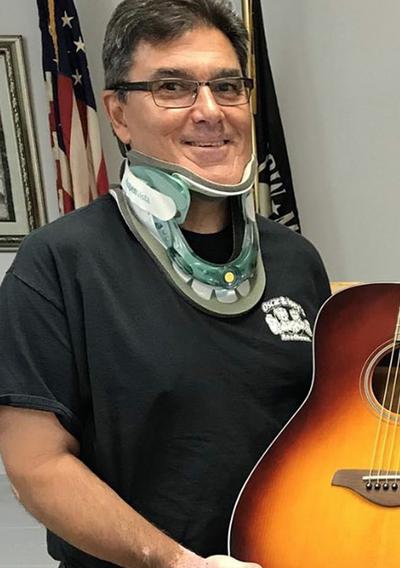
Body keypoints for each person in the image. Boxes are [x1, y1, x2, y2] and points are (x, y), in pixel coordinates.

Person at [0, 1, 330, 566]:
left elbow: (328, 430)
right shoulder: (57, 263)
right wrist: (174, 561)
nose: (210, 111)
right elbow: (37, 466)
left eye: (228, 87)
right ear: (119, 116)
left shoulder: (296, 259)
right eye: (172, 88)